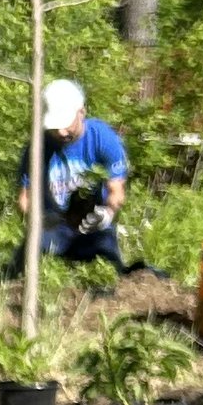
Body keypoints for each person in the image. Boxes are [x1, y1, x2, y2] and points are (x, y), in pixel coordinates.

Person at [20, 80, 131, 268]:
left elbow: (117, 190)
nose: (61, 132)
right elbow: (25, 199)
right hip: (53, 230)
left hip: (93, 228)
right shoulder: (38, 147)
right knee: (23, 268)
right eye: (55, 126)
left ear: (82, 111)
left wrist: (107, 213)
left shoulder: (102, 138)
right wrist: (41, 219)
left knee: (109, 275)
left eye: (66, 124)